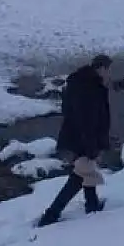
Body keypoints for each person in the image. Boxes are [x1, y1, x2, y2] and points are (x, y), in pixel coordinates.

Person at [38, 55, 113, 227]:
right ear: (100, 68)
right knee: (79, 177)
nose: (110, 74)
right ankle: (51, 215)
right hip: (81, 140)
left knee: (86, 172)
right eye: (109, 70)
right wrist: (92, 147)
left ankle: (92, 206)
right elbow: (87, 121)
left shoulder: (82, 83)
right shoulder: (90, 88)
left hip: (76, 138)